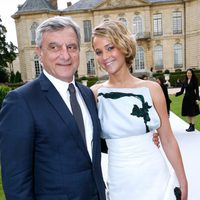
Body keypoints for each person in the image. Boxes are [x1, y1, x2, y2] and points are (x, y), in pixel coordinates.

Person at [0, 16, 106, 200]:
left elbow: (88, 147)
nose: (65, 55)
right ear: (39, 52)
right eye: (54, 47)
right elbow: (16, 180)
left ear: (79, 51)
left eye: (71, 47)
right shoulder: (21, 101)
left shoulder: (87, 95)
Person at [91, 20, 188, 200]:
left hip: (155, 178)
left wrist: (183, 182)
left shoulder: (152, 89)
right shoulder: (95, 94)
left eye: (110, 47)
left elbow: (167, 139)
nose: (105, 56)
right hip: (119, 182)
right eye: (98, 52)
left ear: (124, 46)